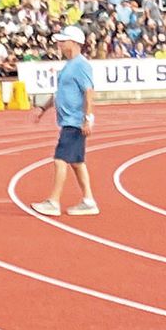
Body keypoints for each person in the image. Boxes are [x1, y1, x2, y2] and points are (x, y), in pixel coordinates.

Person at [32, 26, 98, 216]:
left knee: (60, 160)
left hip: (74, 121)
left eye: (63, 41)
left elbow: (88, 92)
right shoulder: (69, 66)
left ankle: (53, 201)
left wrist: (88, 118)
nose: (59, 44)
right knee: (77, 162)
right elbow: (59, 94)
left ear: (74, 43)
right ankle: (88, 201)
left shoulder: (81, 65)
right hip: (69, 121)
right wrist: (43, 109)